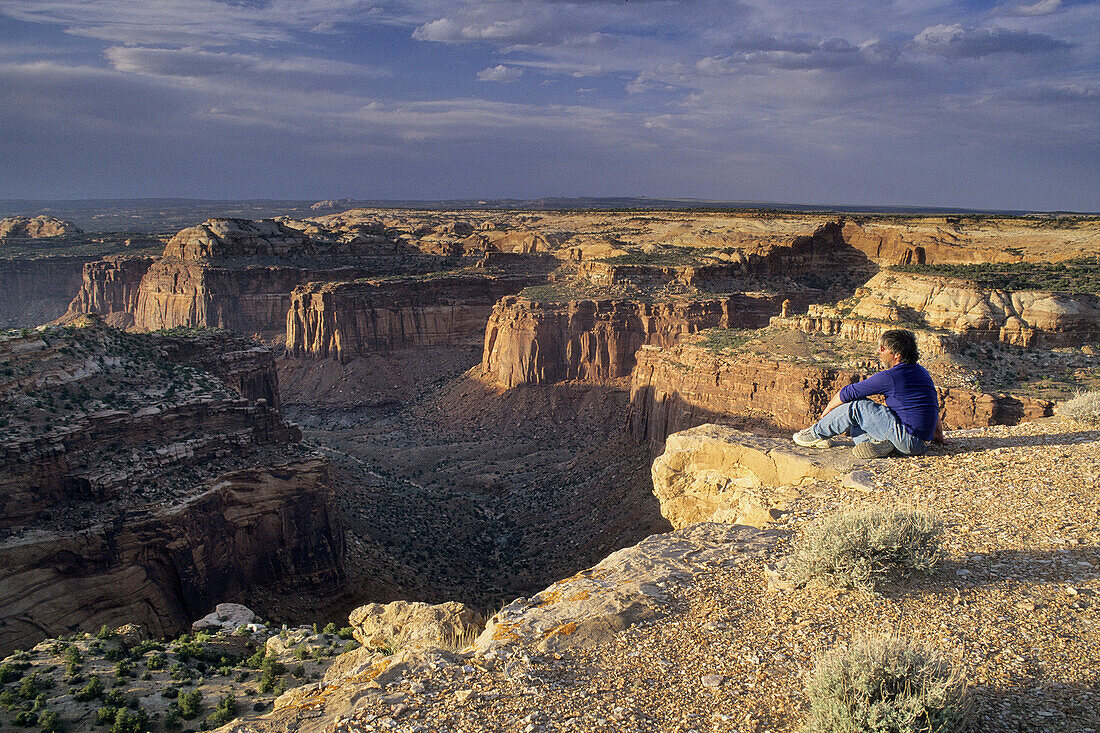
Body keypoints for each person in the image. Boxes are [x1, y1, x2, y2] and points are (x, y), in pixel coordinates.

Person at [793, 329, 945, 458]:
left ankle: (815, 434)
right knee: (858, 423)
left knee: (857, 406)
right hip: (921, 444)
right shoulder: (921, 371)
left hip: (908, 440)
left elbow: (847, 392)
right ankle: (878, 445)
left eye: (883, 348)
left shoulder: (891, 376)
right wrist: (938, 435)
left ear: (897, 354)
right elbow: (932, 404)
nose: (878, 351)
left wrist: (826, 413)